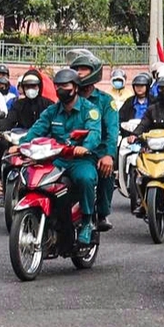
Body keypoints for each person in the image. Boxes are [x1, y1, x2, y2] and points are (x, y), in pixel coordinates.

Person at [17, 66, 109, 248]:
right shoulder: (52, 111)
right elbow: (37, 129)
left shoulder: (90, 110)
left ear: (75, 87)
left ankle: (87, 222)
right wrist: (20, 145)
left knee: (86, 178)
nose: (60, 90)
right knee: (32, 177)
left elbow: (94, 133)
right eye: (57, 86)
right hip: (56, 159)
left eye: (64, 86)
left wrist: (84, 147)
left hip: (80, 160)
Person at [68, 49, 122, 230]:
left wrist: (108, 155)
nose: (79, 73)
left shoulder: (106, 101)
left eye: (84, 69)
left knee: (105, 170)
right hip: (68, 150)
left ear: (94, 73)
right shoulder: (67, 98)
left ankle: (101, 213)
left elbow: (113, 131)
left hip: (97, 150)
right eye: (76, 69)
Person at [5, 69, 51, 133]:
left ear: (39, 87)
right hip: (22, 139)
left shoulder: (48, 105)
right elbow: (9, 121)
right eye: (27, 86)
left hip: (44, 139)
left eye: (33, 86)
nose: (30, 89)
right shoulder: (17, 104)